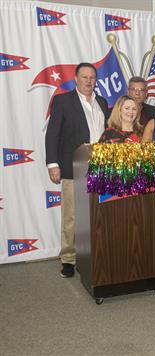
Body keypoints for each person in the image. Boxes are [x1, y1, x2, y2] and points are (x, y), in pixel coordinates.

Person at [45, 62, 109, 278]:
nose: (89, 81)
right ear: (76, 78)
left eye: (92, 77)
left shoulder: (102, 102)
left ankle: (95, 255)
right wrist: (53, 164)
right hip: (73, 167)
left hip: (101, 168)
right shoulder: (63, 101)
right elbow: (52, 134)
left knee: (98, 214)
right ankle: (68, 259)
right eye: (85, 77)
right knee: (71, 216)